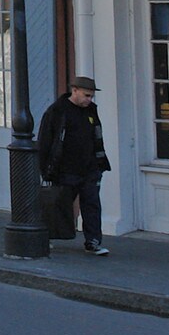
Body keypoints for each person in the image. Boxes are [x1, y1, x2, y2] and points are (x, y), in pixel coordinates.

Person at [39, 76, 112, 255]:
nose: (89, 99)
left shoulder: (91, 111)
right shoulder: (57, 110)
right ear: (75, 90)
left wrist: (99, 162)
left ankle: (93, 241)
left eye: (91, 96)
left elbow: (97, 137)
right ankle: (45, 237)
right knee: (58, 204)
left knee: (92, 204)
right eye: (86, 95)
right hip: (65, 168)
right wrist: (46, 169)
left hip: (89, 167)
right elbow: (45, 141)